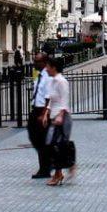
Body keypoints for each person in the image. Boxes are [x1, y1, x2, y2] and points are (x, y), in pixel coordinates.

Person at [43, 57, 75, 186]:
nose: (46, 69)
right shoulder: (52, 81)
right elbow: (51, 99)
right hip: (54, 117)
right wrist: (46, 113)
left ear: (54, 67)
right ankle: (67, 166)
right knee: (53, 144)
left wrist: (61, 115)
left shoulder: (62, 81)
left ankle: (58, 174)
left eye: (48, 66)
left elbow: (64, 100)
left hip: (63, 118)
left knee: (57, 145)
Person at [27, 52, 52, 179]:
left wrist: (44, 114)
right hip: (36, 109)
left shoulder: (48, 77)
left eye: (37, 61)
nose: (34, 63)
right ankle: (47, 164)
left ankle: (45, 168)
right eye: (34, 60)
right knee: (35, 137)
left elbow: (49, 97)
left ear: (44, 62)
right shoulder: (39, 75)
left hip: (42, 111)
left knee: (41, 140)